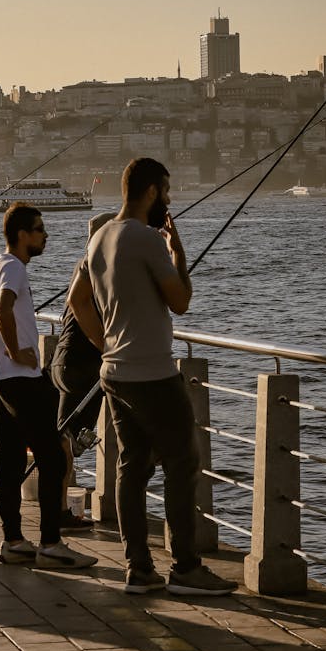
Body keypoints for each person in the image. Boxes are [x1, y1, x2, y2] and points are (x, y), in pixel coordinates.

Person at [70, 157, 237, 597]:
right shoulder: (145, 239)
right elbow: (180, 301)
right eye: (166, 191)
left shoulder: (100, 235)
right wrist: (178, 252)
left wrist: (104, 343)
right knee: (183, 463)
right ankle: (185, 568)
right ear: (150, 192)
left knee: (132, 467)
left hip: (115, 373)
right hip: (153, 374)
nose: (169, 199)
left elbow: (76, 300)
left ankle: (138, 568)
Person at [0, 203, 97, 571]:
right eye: (39, 229)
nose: (45, 235)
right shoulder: (14, 269)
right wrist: (13, 350)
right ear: (22, 234)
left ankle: (13, 542)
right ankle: (51, 544)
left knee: (9, 462)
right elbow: (3, 310)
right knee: (53, 459)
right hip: (20, 378)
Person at [50, 212, 116, 532]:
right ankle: (58, 512)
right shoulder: (97, 266)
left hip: (63, 361)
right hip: (79, 366)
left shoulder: (84, 264)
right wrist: (105, 346)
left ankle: (59, 509)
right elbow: (81, 304)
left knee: (65, 440)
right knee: (68, 442)